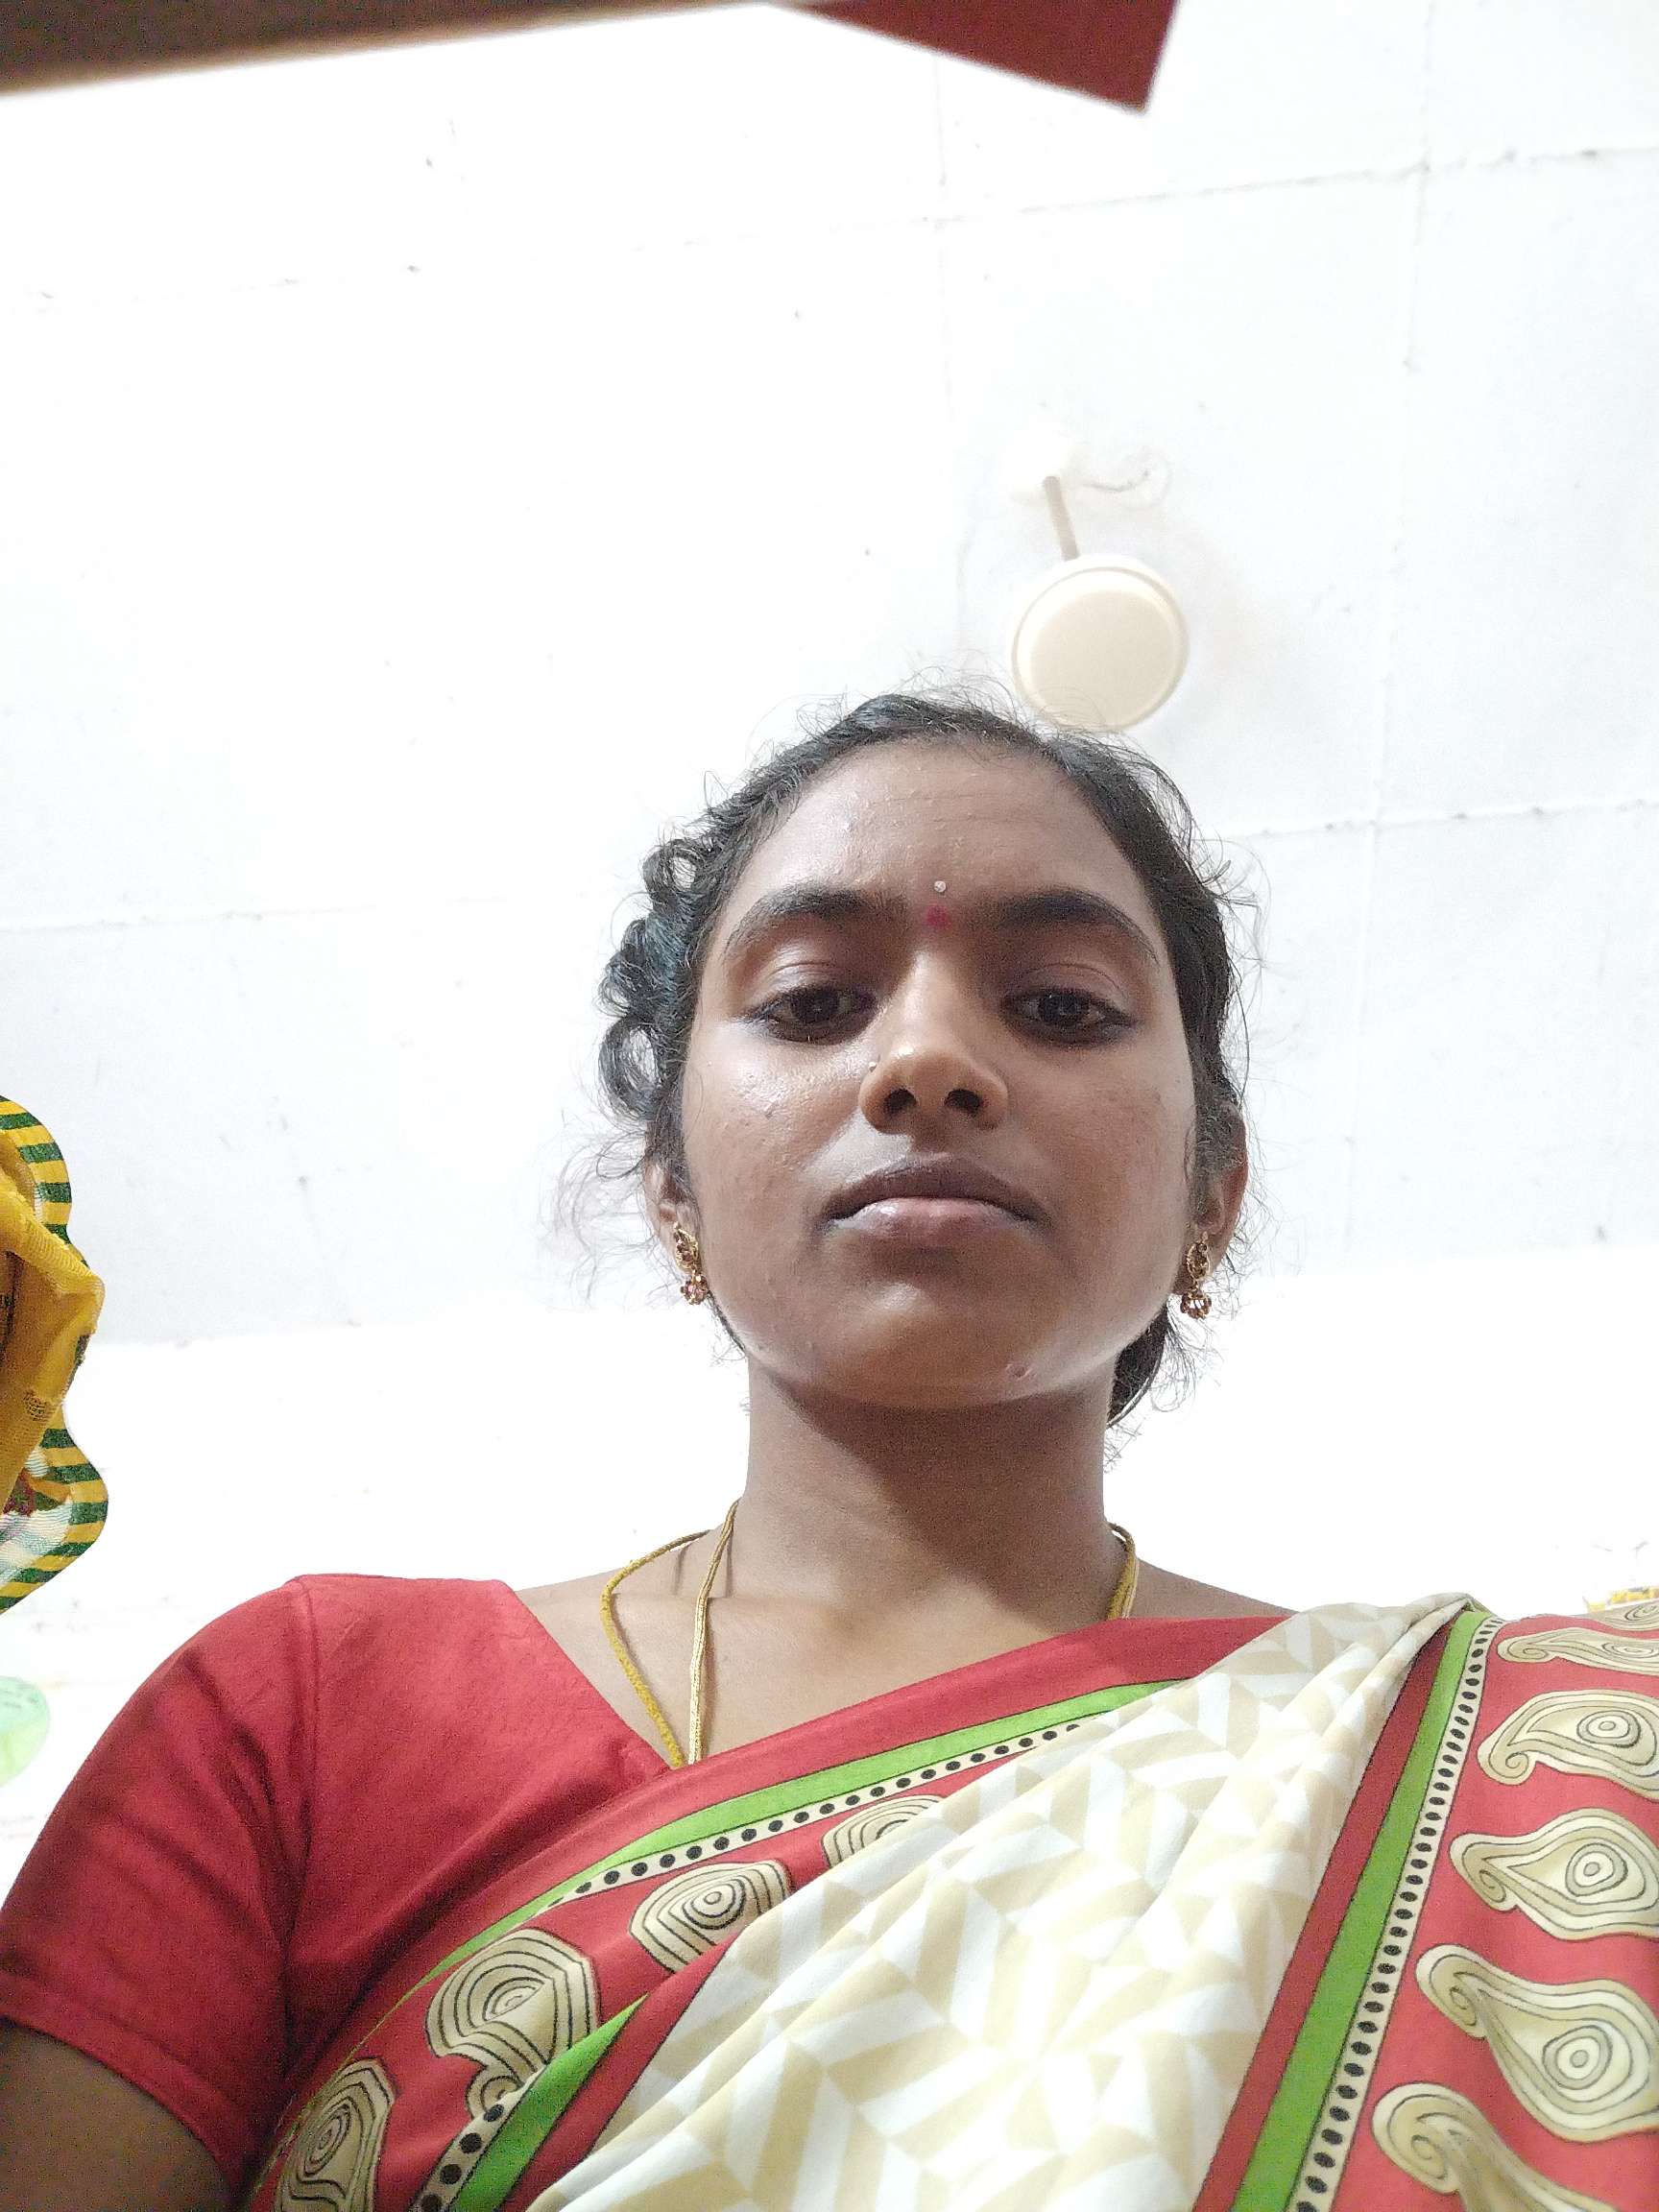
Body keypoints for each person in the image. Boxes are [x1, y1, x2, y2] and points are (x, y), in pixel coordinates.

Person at [1, 690, 1654, 2212]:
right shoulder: (306, 1717)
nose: (927, 1063)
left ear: (1207, 1197)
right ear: (672, 1186)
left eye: (1060, 1005)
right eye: (812, 1003)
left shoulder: (1511, 1769)